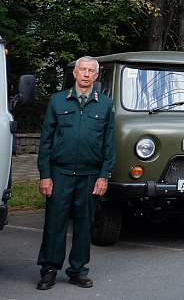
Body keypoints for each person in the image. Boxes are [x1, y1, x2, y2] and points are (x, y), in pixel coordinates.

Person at [36, 56, 115, 290]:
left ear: (96, 75)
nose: (86, 74)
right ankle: (49, 269)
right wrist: (45, 174)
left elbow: (108, 144)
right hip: (59, 174)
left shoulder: (106, 105)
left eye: (91, 71)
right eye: (83, 70)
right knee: (54, 223)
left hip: (90, 175)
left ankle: (78, 270)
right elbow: (46, 141)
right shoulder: (57, 100)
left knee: (83, 224)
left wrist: (104, 175)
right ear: (75, 73)